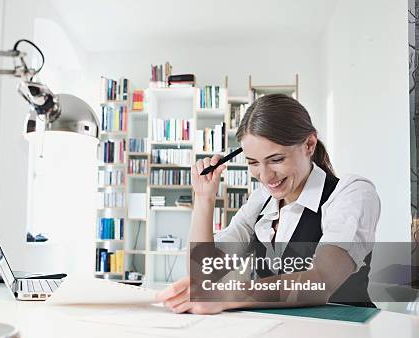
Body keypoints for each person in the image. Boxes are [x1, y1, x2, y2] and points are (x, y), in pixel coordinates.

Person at [157, 94, 381, 314]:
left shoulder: (352, 193)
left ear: (309, 144)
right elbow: (203, 277)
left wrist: (230, 294)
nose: (265, 176)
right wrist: (204, 198)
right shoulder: (261, 201)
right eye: (253, 163)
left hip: (345, 337)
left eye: (276, 160)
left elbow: (321, 280)